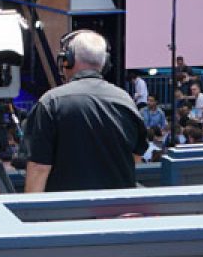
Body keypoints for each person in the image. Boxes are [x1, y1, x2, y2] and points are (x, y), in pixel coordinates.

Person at [23, 30, 146, 193]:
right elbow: (135, 157)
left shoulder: (50, 102)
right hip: (116, 207)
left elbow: (39, 168)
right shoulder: (125, 100)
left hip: (66, 207)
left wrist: (31, 208)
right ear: (105, 63)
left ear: (68, 60)